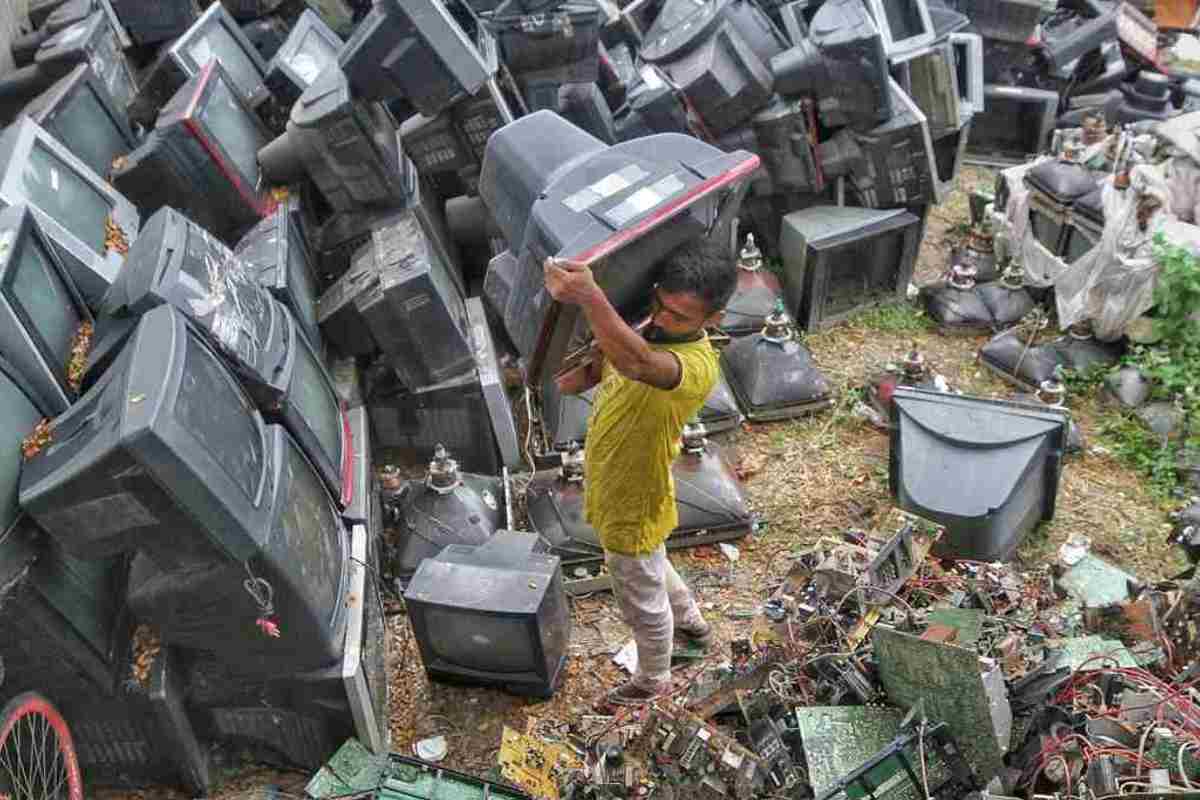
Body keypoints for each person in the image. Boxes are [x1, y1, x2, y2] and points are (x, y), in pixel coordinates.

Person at [543, 236, 738, 705]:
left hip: (632, 493)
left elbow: (637, 362)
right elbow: (587, 374)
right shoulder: (648, 328)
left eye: (680, 316)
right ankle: (692, 625)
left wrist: (591, 296)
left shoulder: (693, 364)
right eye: (661, 305)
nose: (665, 318)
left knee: (639, 592)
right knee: (650, 563)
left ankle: (653, 680)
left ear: (713, 320)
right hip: (617, 480)